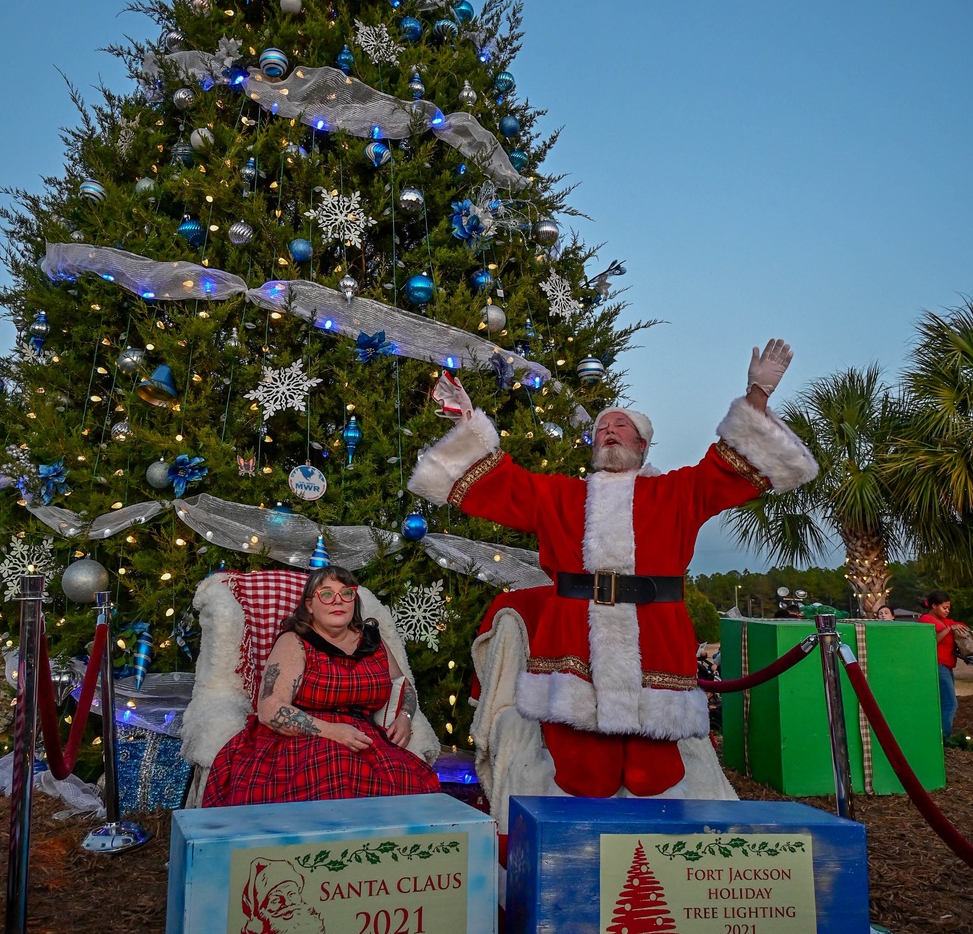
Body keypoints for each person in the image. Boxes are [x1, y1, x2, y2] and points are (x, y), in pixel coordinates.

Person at [408, 338, 818, 810]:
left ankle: (655, 867)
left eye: (621, 426)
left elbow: (730, 468)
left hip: (656, 645)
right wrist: (467, 422)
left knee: (653, 778)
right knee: (584, 778)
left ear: (642, 445)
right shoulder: (558, 496)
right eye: (602, 427)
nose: (609, 431)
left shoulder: (678, 492)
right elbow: (501, 484)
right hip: (573, 647)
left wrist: (756, 397)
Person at [203, 565, 441, 807]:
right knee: (335, 772)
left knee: (408, 786)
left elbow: (403, 686)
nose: (337, 601)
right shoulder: (295, 641)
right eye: (326, 594)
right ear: (309, 605)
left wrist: (405, 716)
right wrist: (333, 731)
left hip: (364, 738)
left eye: (346, 593)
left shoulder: (372, 642)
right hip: (303, 737)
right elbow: (269, 709)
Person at [918, 590, 966, 740]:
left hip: (947, 665)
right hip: (938, 665)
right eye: (944, 607)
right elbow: (932, 640)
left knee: (945, 701)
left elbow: (960, 626)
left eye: (948, 608)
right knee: (951, 703)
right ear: (934, 606)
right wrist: (949, 629)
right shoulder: (926, 619)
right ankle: (945, 738)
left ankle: (940, 734)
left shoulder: (946, 621)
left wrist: (956, 626)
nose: (947, 610)